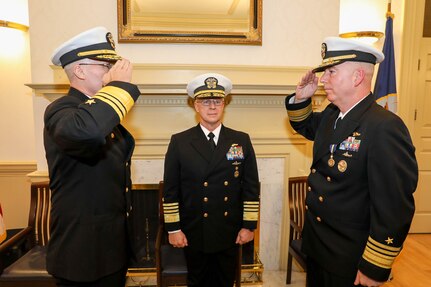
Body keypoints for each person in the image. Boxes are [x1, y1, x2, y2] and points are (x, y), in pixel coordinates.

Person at [285, 37, 418, 287]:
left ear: (357, 77)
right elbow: (305, 125)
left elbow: (394, 206)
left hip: (350, 259)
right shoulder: (333, 114)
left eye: (331, 72)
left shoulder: (384, 127)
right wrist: (301, 98)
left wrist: (374, 266)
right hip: (319, 247)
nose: (323, 79)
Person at [44, 26, 141, 287]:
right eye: (105, 65)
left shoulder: (98, 113)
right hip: (82, 254)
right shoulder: (62, 110)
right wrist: (120, 86)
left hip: (110, 250)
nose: (111, 70)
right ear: (80, 70)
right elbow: (87, 131)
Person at [162, 73, 260, 287]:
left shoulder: (240, 140)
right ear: (196, 106)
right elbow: (171, 190)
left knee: (225, 280)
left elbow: (251, 187)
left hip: (228, 231)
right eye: (206, 102)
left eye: (217, 101)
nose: (212, 107)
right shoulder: (180, 142)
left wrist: (249, 226)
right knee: (197, 281)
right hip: (194, 231)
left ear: (224, 104)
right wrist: (173, 229)